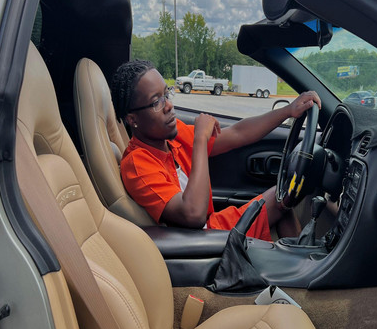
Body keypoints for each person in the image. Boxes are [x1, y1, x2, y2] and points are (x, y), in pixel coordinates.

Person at [111, 60, 321, 241]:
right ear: (132, 119)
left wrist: (288, 111)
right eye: (156, 102)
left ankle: (301, 267)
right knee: (281, 197)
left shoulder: (171, 138)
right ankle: (304, 268)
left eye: (167, 94)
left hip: (213, 228)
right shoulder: (137, 165)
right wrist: (200, 139)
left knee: (283, 197)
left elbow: (238, 133)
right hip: (201, 243)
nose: (169, 106)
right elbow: (193, 214)